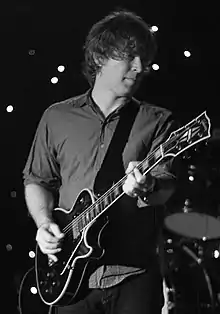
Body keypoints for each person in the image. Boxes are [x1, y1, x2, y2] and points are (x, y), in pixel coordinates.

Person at [23, 8, 180, 314]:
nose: (140, 66)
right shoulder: (57, 116)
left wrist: (147, 186)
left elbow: (167, 186)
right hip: (69, 279)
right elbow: (37, 180)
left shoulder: (157, 120)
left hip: (133, 276)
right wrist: (44, 224)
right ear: (99, 58)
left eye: (144, 59)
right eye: (130, 56)